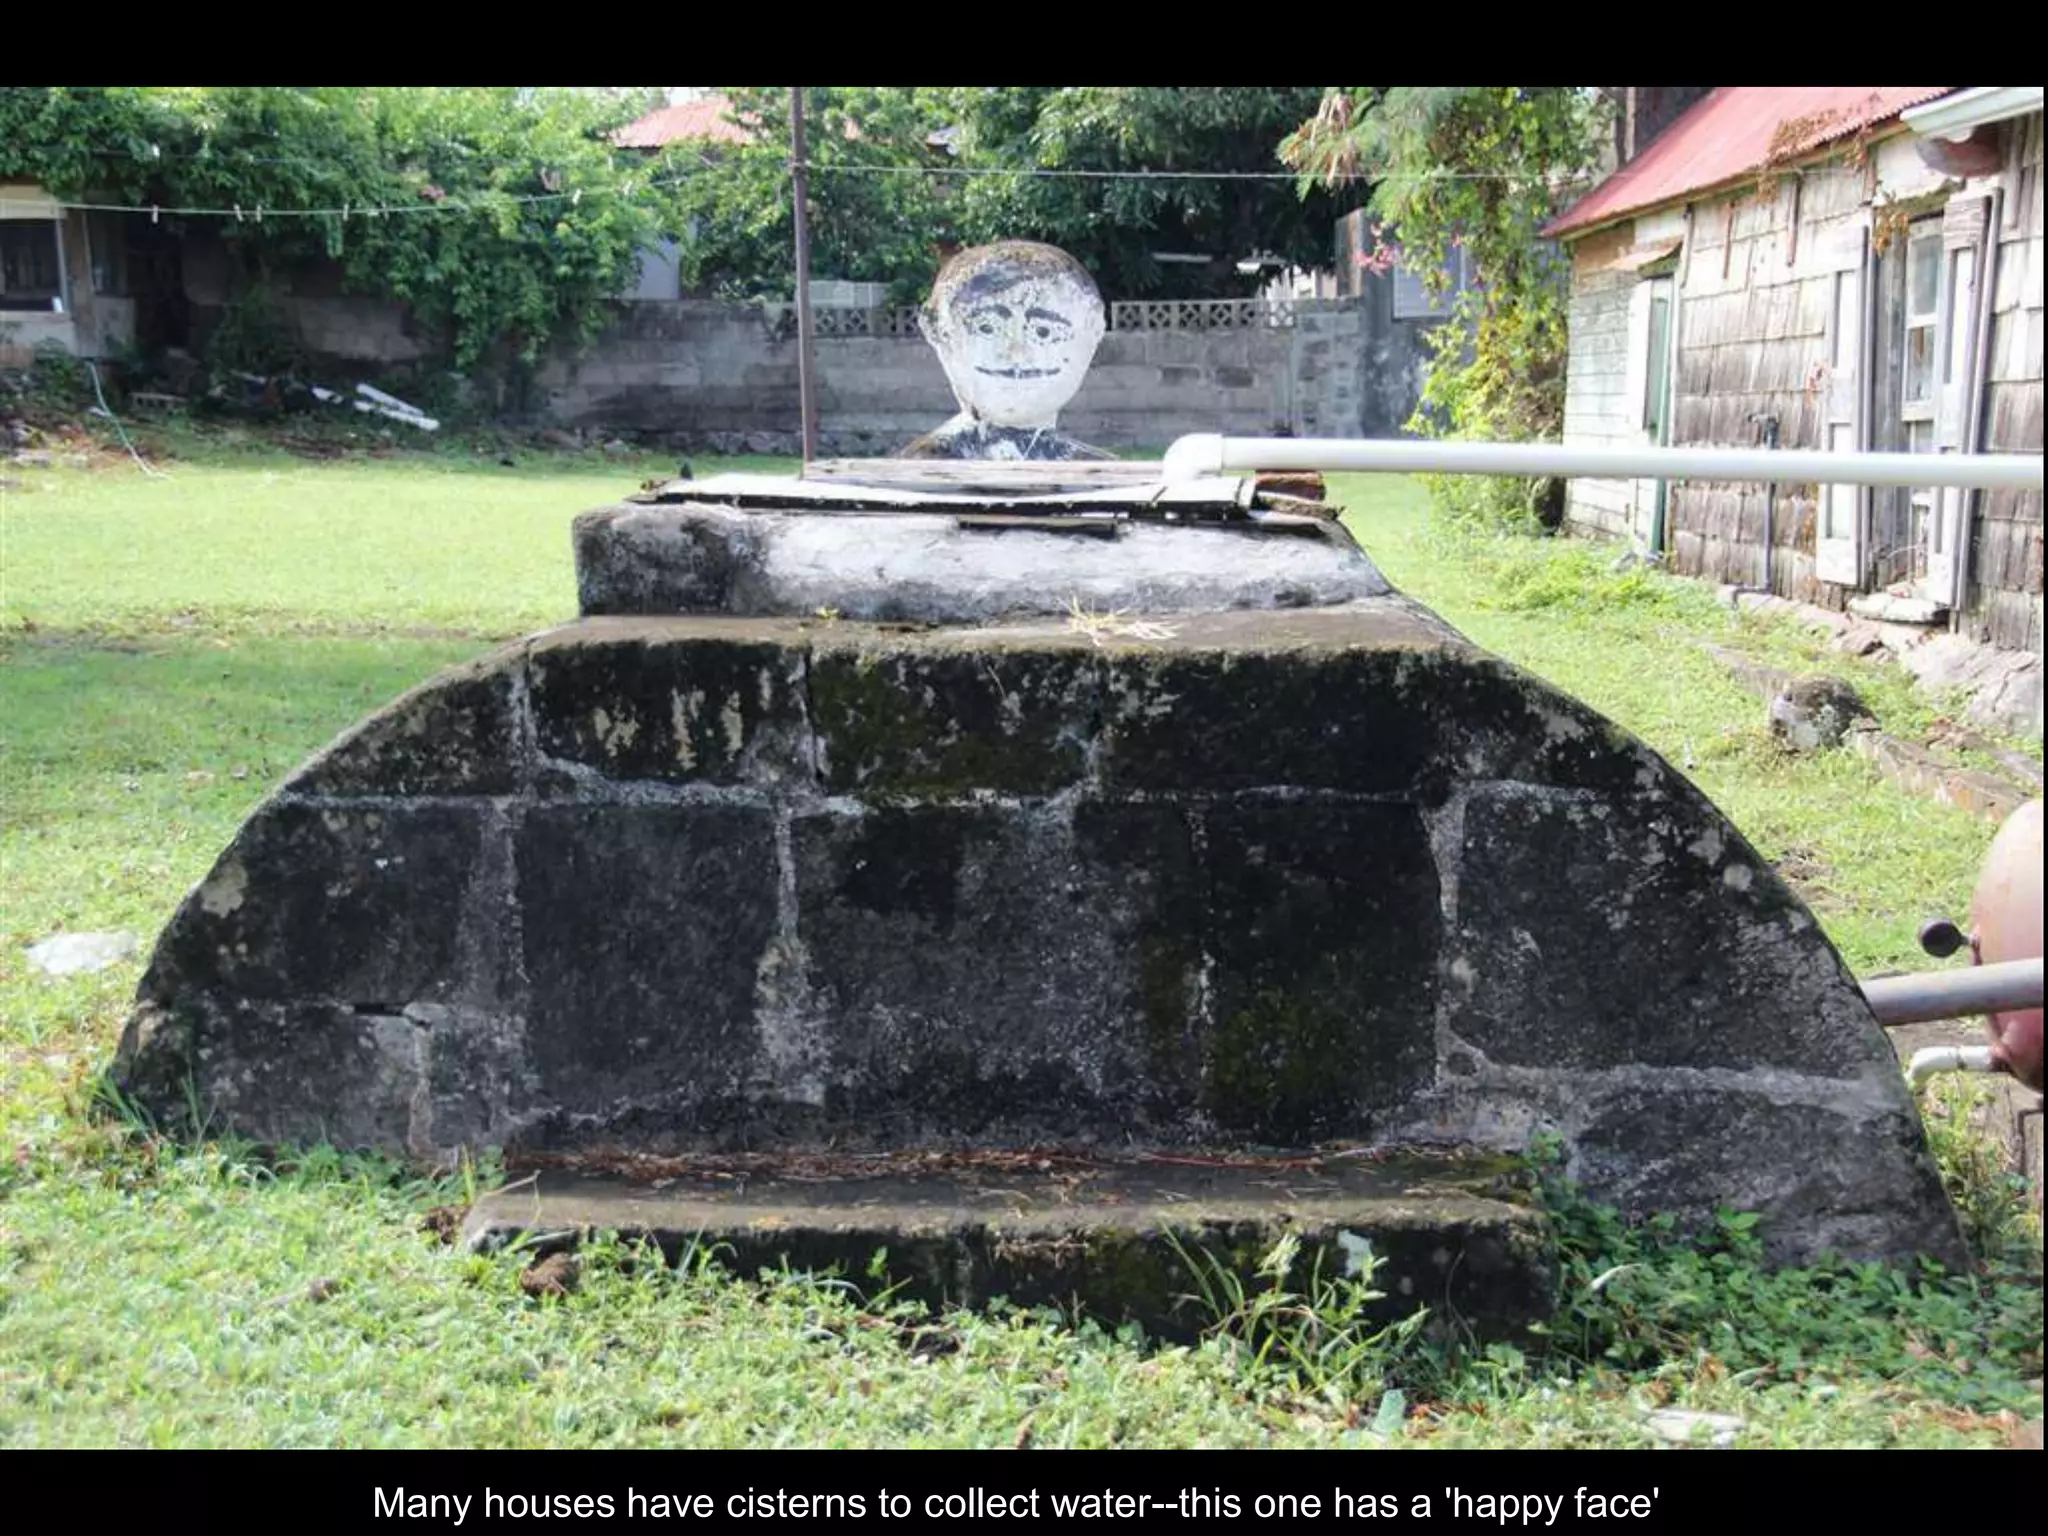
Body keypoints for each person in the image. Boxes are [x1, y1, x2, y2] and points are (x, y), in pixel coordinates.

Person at [898, 241, 1114, 461]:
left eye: (1043, 332)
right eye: (987, 328)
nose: (1016, 353)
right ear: (939, 334)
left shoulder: (1102, 474)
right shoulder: (923, 466)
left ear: (1093, 332)